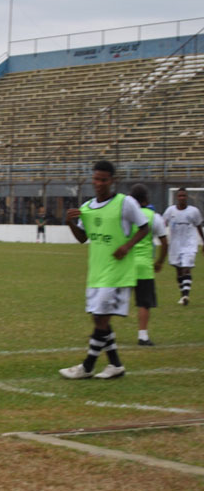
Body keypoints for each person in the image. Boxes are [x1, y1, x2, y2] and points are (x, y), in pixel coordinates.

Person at [60, 160, 148, 380]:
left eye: (103, 179)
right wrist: (70, 223)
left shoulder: (125, 203)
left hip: (117, 273)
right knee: (99, 320)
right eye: (96, 179)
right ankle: (116, 365)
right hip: (96, 273)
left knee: (101, 318)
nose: (98, 183)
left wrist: (127, 246)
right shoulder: (88, 207)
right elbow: (83, 238)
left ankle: (87, 366)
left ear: (112, 181)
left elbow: (144, 227)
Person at [129, 184, 168, 346]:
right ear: (146, 199)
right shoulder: (154, 217)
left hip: (124, 265)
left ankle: (103, 333)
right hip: (144, 265)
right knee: (144, 302)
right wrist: (159, 262)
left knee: (112, 300)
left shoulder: (126, 217)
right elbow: (165, 243)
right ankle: (143, 336)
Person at [162, 187, 204, 306]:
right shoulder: (170, 211)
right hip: (175, 245)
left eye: (184, 196)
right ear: (176, 197)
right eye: (180, 196)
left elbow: (199, 226)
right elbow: (162, 223)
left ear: (187, 197)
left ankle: (186, 295)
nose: (182, 198)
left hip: (189, 244)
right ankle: (183, 295)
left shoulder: (193, 211)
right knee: (179, 271)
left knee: (186, 268)